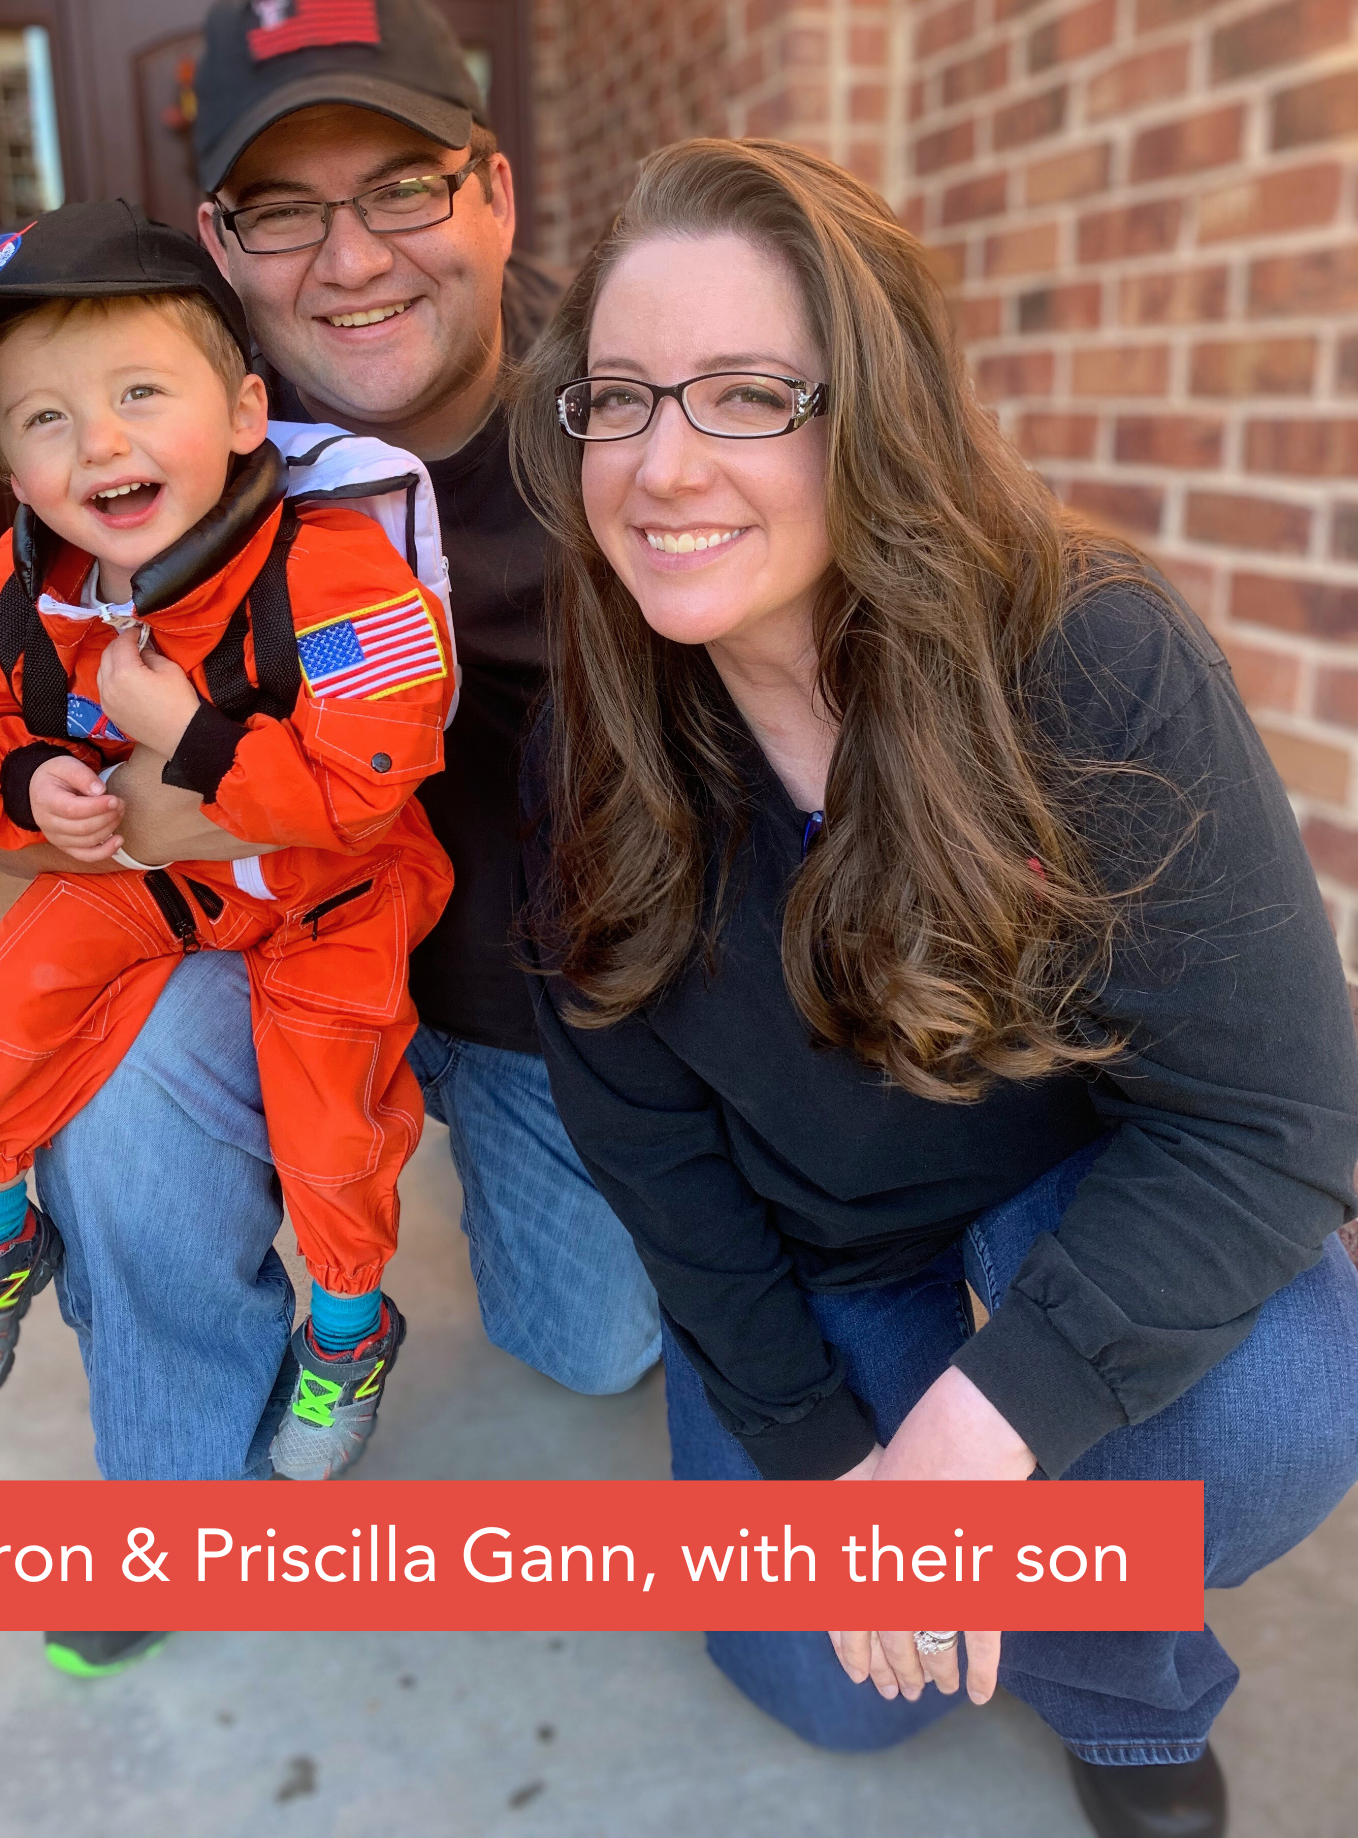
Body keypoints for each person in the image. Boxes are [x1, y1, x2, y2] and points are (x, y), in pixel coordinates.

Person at [513, 137, 1358, 1838]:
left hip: (1061, 1189)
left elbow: (1279, 1119)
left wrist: (982, 1441)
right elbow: (658, 1166)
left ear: (874, 411)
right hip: (818, 1251)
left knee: (1277, 1400)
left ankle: (1127, 1694)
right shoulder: (591, 741)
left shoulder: (1086, 653)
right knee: (830, 1687)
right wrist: (836, 1471)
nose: (661, 464)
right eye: (619, 396)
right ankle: (1050, 1569)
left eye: (746, 393)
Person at [0, 0, 660, 1514]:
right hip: (251, 930)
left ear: (496, 198)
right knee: (109, 1096)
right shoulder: (147, 459)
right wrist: (52, 792)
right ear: (221, 248)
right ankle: (177, 1492)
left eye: (402, 187)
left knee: (597, 1341)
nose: (350, 259)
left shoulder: (630, 446)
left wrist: (207, 788)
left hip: (542, 1001)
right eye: (282, 209)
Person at [0, 197, 455, 1483]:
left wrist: (190, 736)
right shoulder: (13, 592)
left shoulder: (341, 564)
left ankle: (348, 1331)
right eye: (43, 418)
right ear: (8, 466)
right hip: (165, 886)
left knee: (332, 1130)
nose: (99, 443)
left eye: (141, 390)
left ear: (247, 413)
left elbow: (377, 766)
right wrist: (26, 783)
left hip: (333, 897)